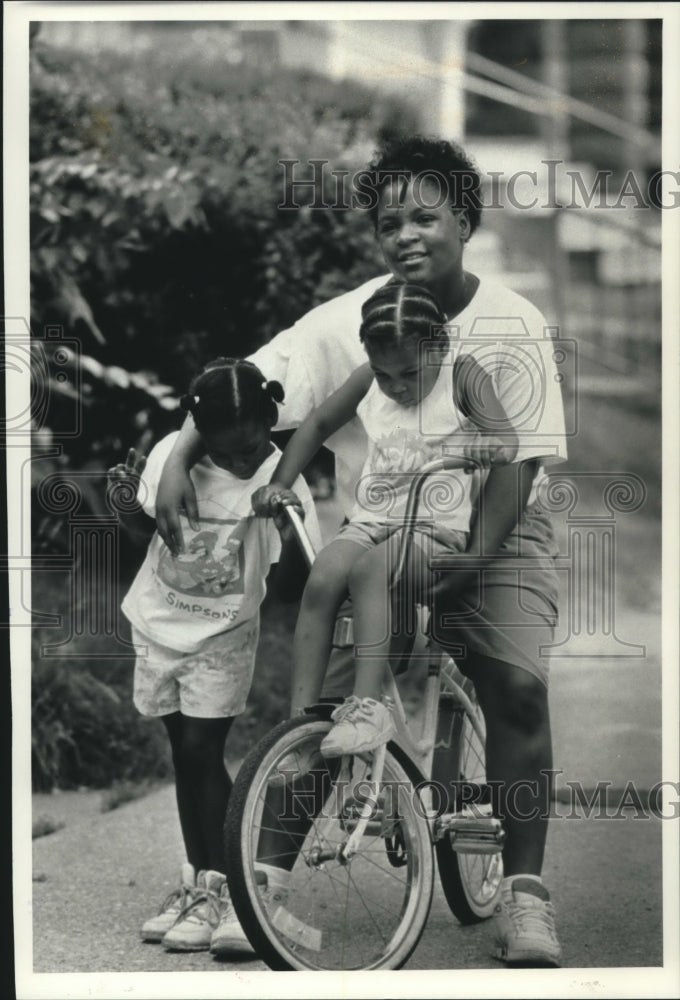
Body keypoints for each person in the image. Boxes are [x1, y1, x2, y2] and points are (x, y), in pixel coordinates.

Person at [154, 136, 567, 967]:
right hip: (387, 528)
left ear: (465, 217)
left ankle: (524, 896)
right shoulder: (355, 317)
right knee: (338, 695)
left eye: (426, 215)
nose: (407, 234)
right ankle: (259, 880)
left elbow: (517, 463)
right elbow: (261, 383)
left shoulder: (514, 324)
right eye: (390, 222)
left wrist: (473, 566)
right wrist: (178, 454)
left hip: (498, 524)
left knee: (516, 685)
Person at [252, 281, 519, 757]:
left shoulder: (463, 375)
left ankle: (366, 707)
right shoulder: (367, 379)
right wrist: (280, 479)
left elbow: (508, 442)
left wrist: (482, 445)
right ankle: (300, 726)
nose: (394, 386)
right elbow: (315, 424)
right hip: (372, 521)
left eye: (408, 374)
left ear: (439, 345)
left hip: (434, 533)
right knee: (324, 577)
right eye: (383, 374)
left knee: (369, 568)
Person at [108, 357, 319, 956]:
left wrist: (283, 514)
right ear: (201, 433)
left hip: (223, 638)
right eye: (225, 454)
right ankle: (200, 886)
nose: (239, 462)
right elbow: (140, 534)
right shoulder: (172, 456)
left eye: (251, 447)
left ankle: (234, 887)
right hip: (156, 626)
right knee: (185, 755)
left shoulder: (284, 476)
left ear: (270, 421)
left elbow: (297, 581)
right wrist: (123, 502)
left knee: (203, 750)